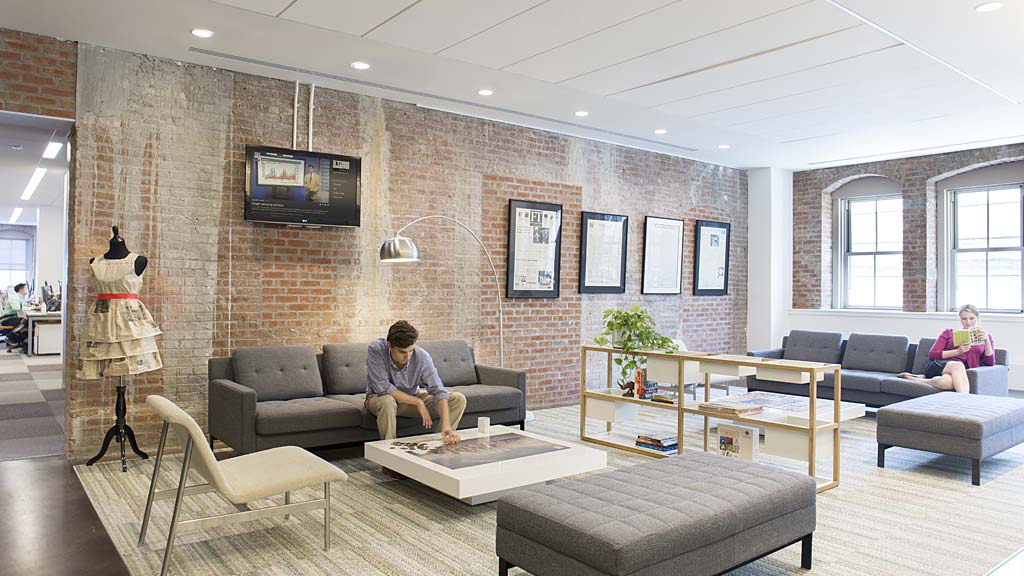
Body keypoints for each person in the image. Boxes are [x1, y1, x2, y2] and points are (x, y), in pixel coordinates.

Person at [365, 320, 466, 444]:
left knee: (458, 399)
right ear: (389, 345)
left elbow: (438, 391)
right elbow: (382, 387)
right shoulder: (376, 350)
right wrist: (418, 402)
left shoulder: (422, 357)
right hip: (380, 399)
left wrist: (446, 424)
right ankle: (390, 453)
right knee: (387, 400)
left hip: (410, 398)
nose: (407, 357)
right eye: (402, 352)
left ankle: (437, 446)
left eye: (411, 351)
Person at [898, 304, 994, 393]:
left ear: (977, 318)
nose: (968, 322)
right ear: (960, 319)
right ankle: (966, 400)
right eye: (964, 319)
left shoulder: (986, 337)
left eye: (971, 318)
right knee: (957, 365)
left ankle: (918, 379)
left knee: (946, 382)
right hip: (939, 365)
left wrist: (987, 341)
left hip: (960, 372)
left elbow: (990, 363)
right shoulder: (948, 333)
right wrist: (958, 351)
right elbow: (932, 355)